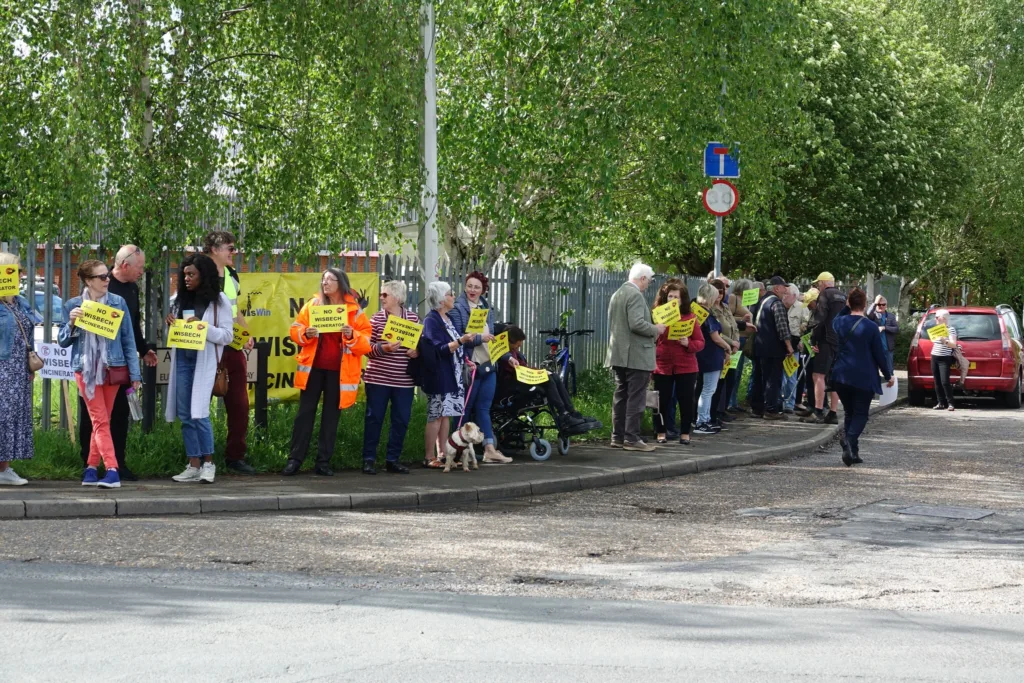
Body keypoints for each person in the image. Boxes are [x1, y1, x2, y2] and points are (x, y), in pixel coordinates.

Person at [78, 245, 159, 481]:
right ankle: (90, 463)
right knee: (92, 417)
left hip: (118, 364)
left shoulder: (131, 290)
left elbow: (131, 327)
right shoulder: (101, 290)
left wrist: (143, 350)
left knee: (120, 413)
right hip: (93, 366)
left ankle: (117, 463)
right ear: (125, 265)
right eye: (140, 267)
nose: (142, 271)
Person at [60, 259, 143, 489]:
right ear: (88, 280)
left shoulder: (118, 303)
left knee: (102, 421)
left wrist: (135, 374)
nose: (107, 280)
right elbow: (63, 341)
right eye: (102, 277)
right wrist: (72, 323)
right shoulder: (73, 305)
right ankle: (113, 470)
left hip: (112, 369)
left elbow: (128, 340)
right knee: (99, 419)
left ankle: (90, 467)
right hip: (85, 370)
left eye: (107, 275)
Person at [283, 268, 372, 476]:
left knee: (330, 418)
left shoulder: (354, 309)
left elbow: (367, 342)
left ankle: (323, 462)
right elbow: (295, 329)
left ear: (341, 283)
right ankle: (294, 460)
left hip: (338, 373)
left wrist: (352, 335)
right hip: (313, 369)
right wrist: (305, 333)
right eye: (323, 280)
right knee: (304, 415)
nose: (325, 283)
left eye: (330, 279)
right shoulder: (313, 305)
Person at [165, 254, 234, 484]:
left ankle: (209, 463)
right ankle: (193, 464)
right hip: (184, 360)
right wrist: (171, 325)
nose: (186, 278)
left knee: (200, 413)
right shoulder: (178, 300)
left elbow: (227, 335)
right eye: (184, 274)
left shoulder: (219, 301)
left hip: (204, 363)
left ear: (203, 276)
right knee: (185, 415)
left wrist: (203, 327)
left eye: (191, 274)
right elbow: (174, 335)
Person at [202, 231, 256, 474]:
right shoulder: (198, 270)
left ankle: (235, 457)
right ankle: (201, 459)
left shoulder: (232, 275)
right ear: (214, 249)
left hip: (232, 346)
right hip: (206, 346)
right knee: (200, 404)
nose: (234, 253)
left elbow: (235, 311)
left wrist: (246, 334)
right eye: (230, 248)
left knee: (239, 404)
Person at [449, 271, 512, 464]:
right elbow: (458, 337)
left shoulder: (487, 308)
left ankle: (489, 449)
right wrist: (478, 338)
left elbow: (492, 339)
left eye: (477, 287)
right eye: (469, 286)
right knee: (465, 409)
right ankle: (455, 451)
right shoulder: (458, 308)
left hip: (488, 365)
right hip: (471, 366)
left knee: (484, 408)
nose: (472, 290)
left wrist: (508, 357)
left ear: (483, 289)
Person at [606, 263, 667, 452]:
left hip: (619, 354)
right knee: (636, 397)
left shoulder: (618, 294)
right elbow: (636, 324)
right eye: (648, 280)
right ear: (642, 278)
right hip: (636, 355)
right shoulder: (635, 295)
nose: (648, 284)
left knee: (621, 396)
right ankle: (631, 438)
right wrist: (655, 329)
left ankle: (618, 436)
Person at [830, 288, 894, 466]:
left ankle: (853, 453)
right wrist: (888, 374)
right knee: (861, 414)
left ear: (849, 303)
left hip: (841, 375)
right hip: (864, 377)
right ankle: (849, 441)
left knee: (850, 412)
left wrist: (847, 306)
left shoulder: (839, 322)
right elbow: (879, 354)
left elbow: (835, 320)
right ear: (865, 305)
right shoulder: (871, 327)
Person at [496, 326, 602, 433]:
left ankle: (570, 412)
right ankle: (563, 415)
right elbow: (519, 370)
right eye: (517, 346)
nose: (518, 348)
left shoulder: (513, 352)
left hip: (520, 380)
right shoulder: (505, 355)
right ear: (509, 341)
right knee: (547, 380)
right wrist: (539, 373)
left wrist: (540, 371)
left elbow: (522, 367)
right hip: (512, 385)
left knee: (554, 376)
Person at [360, 280, 418, 475]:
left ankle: (393, 460)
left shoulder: (413, 319)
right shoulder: (375, 319)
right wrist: (383, 349)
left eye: (385, 295)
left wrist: (415, 351)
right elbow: (366, 349)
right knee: (374, 418)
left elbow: (419, 346)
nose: (381, 298)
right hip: (378, 379)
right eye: (381, 294)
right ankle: (368, 459)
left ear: (398, 298)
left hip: (404, 381)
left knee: (401, 420)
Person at [420, 281, 473, 468]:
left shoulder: (448, 319)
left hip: (452, 373)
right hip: (439, 374)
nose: (453, 296)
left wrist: (466, 359)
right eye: (450, 294)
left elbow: (456, 347)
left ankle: (443, 454)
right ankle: (428, 456)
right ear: (442, 299)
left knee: (446, 414)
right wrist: (461, 340)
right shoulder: (431, 320)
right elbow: (439, 349)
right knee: (436, 415)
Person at [0, 252, 40, 486]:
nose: (21, 275)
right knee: (3, 416)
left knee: (13, 417)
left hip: (18, 368)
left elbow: (28, 332)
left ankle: (4, 467)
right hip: (3, 367)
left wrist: (29, 363)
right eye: (16, 270)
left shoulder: (19, 301)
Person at [651, 281, 705, 444]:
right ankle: (661, 431)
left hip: (686, 365)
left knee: (686, 399)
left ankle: (685, 433)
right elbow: (649, 339)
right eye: (670, 296)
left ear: (683, 300)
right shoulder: (657, 315)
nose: (673, 299)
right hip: (663, 364)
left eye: (677, 297)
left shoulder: (690, 317)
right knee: (661, 401)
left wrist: (689, 344)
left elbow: (700, 342)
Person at [803, 272, 846, 424]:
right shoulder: (843, 296)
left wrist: (814, 340)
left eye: (818, 283)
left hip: (825, 340)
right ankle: (833, 413)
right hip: (840, 342)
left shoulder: (824, 295)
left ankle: (818, 411)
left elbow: (820, 319)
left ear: (823, 283)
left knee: (818, 375)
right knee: (835, 377)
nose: (818, 286)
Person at [749, 276, 794, 420]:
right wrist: (788, 345)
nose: (785, 290)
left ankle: (757, 408)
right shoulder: (776, 303)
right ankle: (771, 410)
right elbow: (782, 327)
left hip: (760, 346)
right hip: (773, 349)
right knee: (773, 380)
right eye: (783, 287)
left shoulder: (762, 301)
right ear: (776, 288)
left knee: (760, 378)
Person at [693, 283, 731, 435]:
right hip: (710, 356)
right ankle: (702, 421)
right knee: (708, 390)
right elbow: (715, 337)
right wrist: (727, 347)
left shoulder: (698, 312)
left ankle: (705, 419)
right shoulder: (706, 314)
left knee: (707, 389)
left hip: (705, 355)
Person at [709, 279, 741, 429]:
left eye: (722, 292)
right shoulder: (711, 310)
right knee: (716, 384)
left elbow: (733, 326)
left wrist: (736, 341)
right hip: (719, 348)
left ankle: (721, 410)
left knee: (729, 380)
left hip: (731, 349)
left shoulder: (725, 307)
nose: (720, 295)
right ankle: (713, 413)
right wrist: (730, 343)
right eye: (717, 292)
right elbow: (716, 331)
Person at [726, 278, 755, 412]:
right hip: (737, 338)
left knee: (739, 372)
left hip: (745, 339)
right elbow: (728, 318)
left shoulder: (747, 300)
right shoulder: (734, 298)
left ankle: (734, 401)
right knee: (734, 372)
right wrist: (742, 320)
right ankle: (729, 402)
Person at [929, 308, 958, 411]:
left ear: (943, 318)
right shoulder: (937, 329)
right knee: (937, 381)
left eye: (937, 317)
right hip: (934, 356)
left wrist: (944, 341)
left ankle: (951, 403)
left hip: (944, 358)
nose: (935, 319)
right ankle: (940, 402)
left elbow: (954, 344)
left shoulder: (950, 329)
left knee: (945, 381)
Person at [795, 288, 819, 414]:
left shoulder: (819, 312)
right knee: (809, 377)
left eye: (810, 302)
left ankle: (816, 405)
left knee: (815, 377)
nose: (808, 305)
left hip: (815, 349)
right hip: (808, 347)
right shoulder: (812, 312)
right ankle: (812, 404)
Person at [782, 284, 805, 414]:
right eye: (784, 294)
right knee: (781, 375)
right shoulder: (780, 306)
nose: (784, 297)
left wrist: (801, 342)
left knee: (791, 375)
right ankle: (779, 400)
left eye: (787, 294)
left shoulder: (802, 308)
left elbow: (806, 328)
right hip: (782, 345)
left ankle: (789, 403)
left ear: (795, 296)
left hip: (795, 346)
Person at [867, 295, 898, 375]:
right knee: (873, 371)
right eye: (879, 304)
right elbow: (868, 313)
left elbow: (896, 329)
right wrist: (875, 302)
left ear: (886, 305)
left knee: (889, 370)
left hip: (887, 348)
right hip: (875, 348)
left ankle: (890, 385)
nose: (881, 306)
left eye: (883, 304)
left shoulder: (891, 316)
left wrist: (884, 327)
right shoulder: (873, 315)